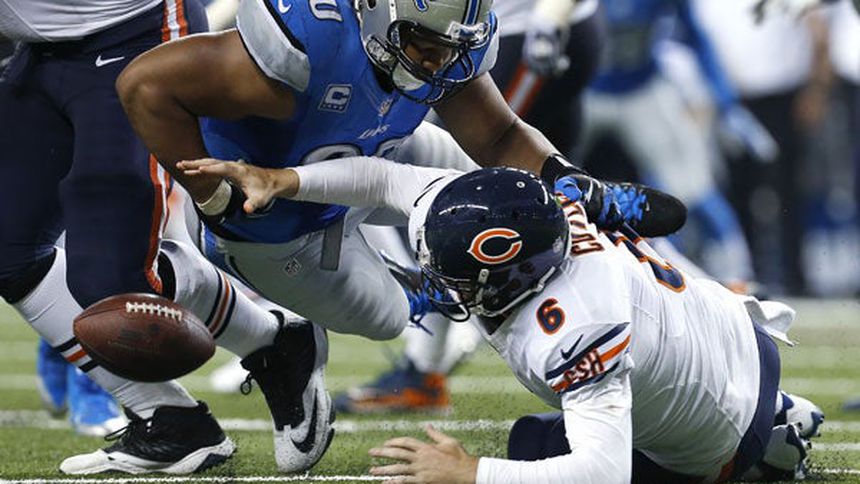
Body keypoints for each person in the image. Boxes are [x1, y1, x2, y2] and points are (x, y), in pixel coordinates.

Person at [117, 0, 683, 418]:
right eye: (423, 45)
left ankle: (556, 240)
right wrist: (210, 194)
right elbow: (144, 86)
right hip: (276, 223)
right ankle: (406, 292)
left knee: (498, 197)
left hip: (376, 155)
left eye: (449, 50)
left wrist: (569, 182)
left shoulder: (444, 43)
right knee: (388, 318)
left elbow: (500, 135)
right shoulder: (308, 39)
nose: (438, 63)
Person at [180, 157, 825, 483]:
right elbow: (381, 179)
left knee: (530, 452)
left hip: (719, 431)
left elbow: (603, 472)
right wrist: (283, 179)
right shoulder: (508, 206)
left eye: (458, 277)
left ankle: (764, 453)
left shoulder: (574, 327)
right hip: (734, 333)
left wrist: (471, 472)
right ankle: (779, 415)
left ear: (511, 276)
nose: (442, 284)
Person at [0, 0, 331, 475]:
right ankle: (171, 422)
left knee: (112, 283)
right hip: (41, 51)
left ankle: (274, 342)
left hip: (133, 37)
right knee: (8, 248)